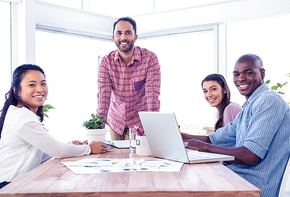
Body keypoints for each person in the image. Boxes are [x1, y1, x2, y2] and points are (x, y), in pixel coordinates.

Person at [182, 54, 290, 197]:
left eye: (248, 73)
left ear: (262, 73)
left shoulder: (269, 100)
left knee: (186, 185)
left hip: (253, 187)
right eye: (236, 74)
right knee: (189, 179)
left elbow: (251, 156)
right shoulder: (247, 109)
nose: (240, 78)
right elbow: (213, 139)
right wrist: (177, 135)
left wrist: (204, 148)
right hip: (238, 178)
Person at [0, 64, 108, 193]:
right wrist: (89, 149)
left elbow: (40, 154)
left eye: (43, 83)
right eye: (32, 85)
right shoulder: (23, 116)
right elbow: (57, 151)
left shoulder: (19, 113)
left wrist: (70, 145)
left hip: (9, 183)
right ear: (16, 90)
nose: (40, 89)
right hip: (5, 186)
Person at [97, 17, 161, 140]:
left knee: (139, 157)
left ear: (135, 37)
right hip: (115, 121)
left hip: (139, 123)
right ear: (113, 37)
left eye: (128, 33)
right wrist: (98, 129)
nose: (123, 38)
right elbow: (103, 96)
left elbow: (152, 96)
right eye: (119, 33)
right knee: (115, 157)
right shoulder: (106, 62)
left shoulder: (150, 58)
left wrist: (152, 127)